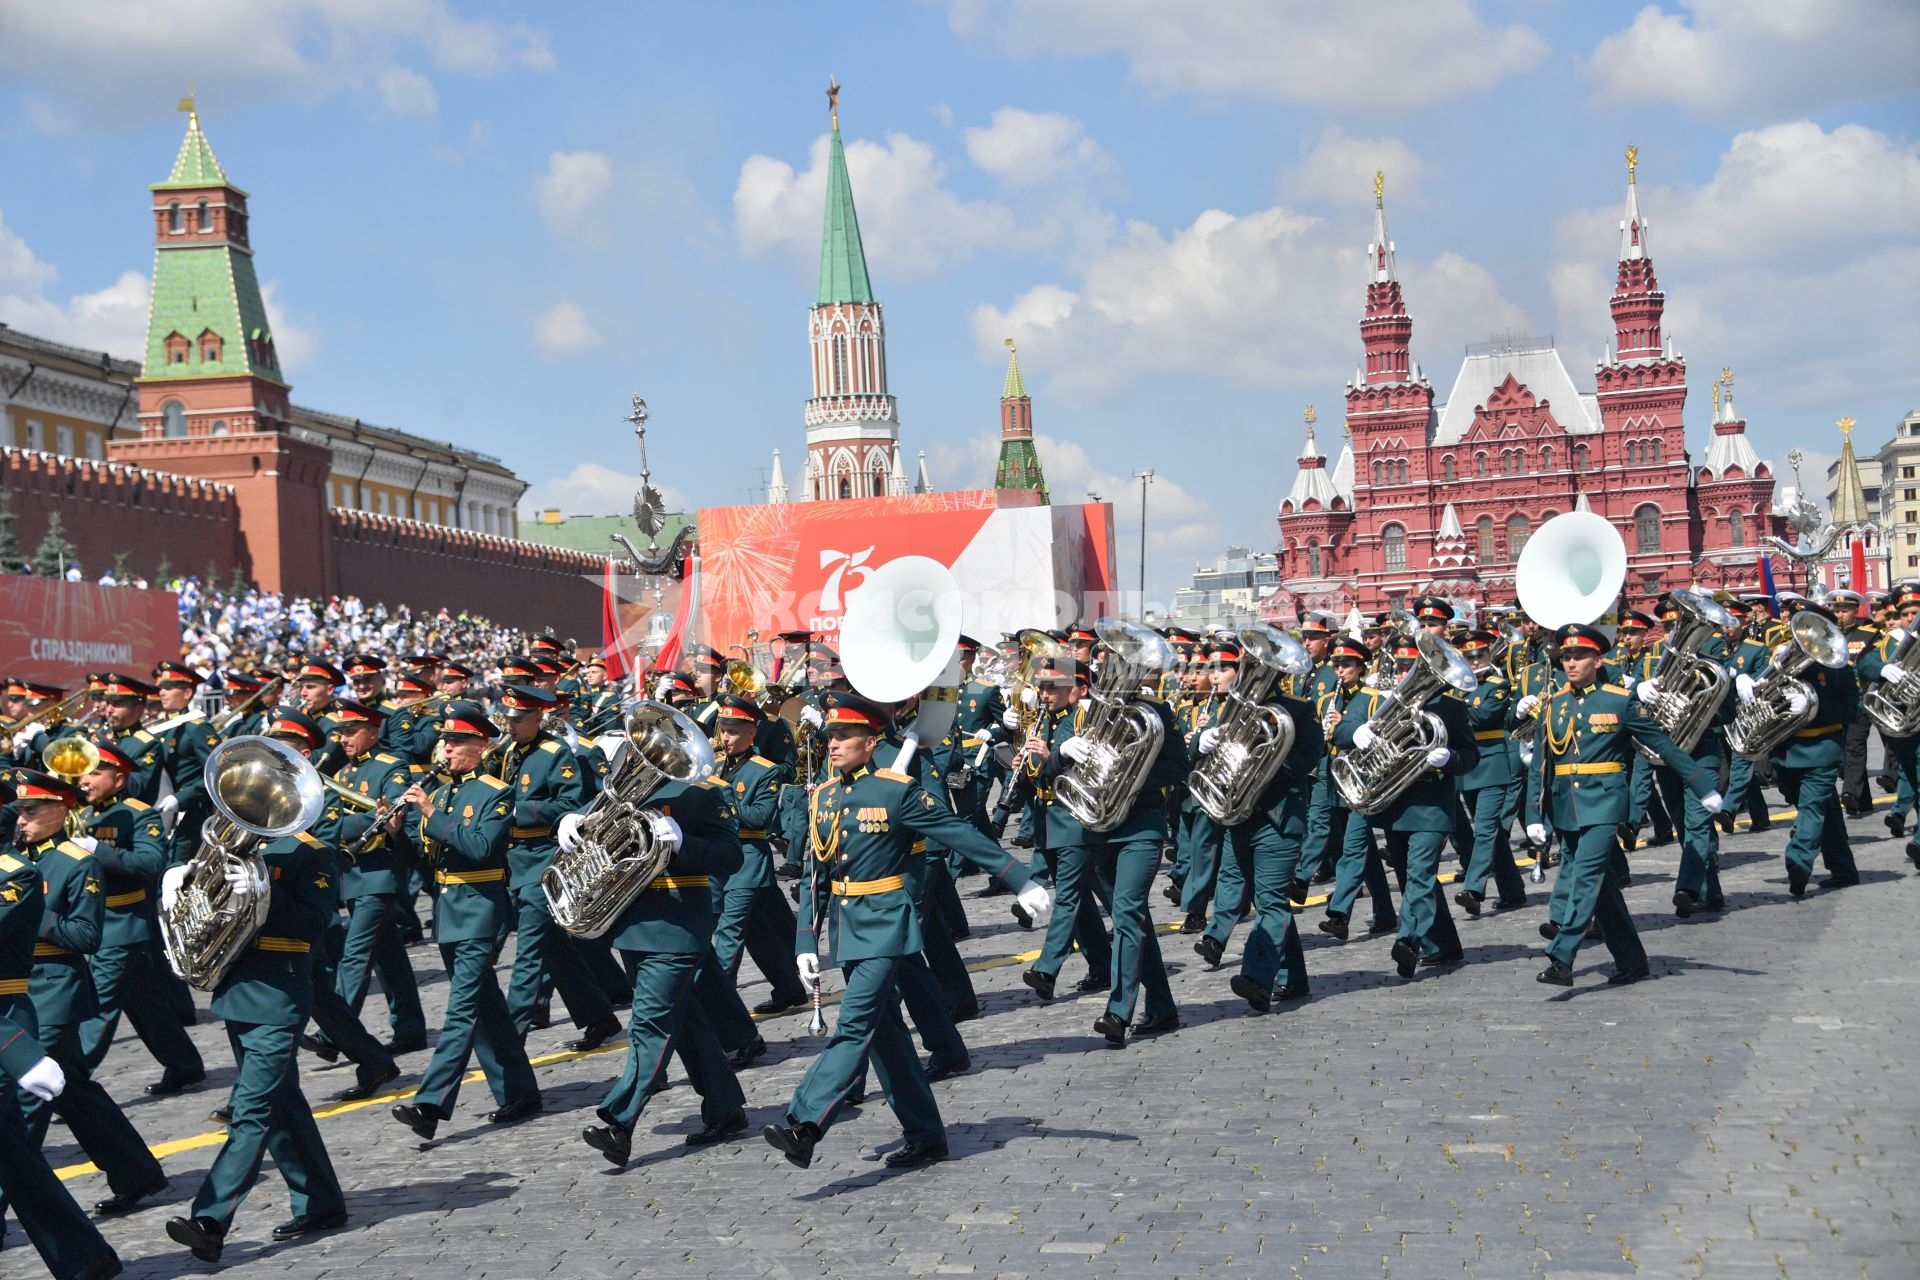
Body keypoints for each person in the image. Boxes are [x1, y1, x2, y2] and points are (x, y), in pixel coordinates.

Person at [764, 693, 1048, 1171]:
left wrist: (1019, 878)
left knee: (854, 1026)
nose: (833, 744)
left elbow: (956, 831)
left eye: (844, 736)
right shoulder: (825, 796)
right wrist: (806, 942)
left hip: (887, 926)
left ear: (870, 742)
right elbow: (816, 876)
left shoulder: (895, 791)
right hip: (847, 931)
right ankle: (926, 1134)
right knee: (886, 1037)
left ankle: (804, 1123)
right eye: (830, 736)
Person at [161, 766, 347, 1265]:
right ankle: (321, 1200)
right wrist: (185, 881)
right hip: (239, 990)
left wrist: (264, 890)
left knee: (253, 1111)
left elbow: (315, 924)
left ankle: (210, 1219)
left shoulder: (314, 853)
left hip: (279, 994)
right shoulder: (235, 845)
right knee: (281, 1102)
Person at [573, 707, 751, 1167]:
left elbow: (731, 856)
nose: (645, 753)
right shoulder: (624, 787)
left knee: (649, 1025)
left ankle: (620, 1120)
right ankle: (725, 1106)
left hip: (677, 927)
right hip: (633, 922)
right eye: (642, 745)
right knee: (684, 1020)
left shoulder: (704, 791)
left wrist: (681, 843)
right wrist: (576, 825)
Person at [0, 771, 167, 1230]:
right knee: (71, 1088)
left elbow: (87, 936)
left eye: (32, 812)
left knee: (23, 1102)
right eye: (19, 813)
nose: (23, 821)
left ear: (60, 810)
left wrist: (30, 915)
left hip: (53, 987)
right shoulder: (14, 859)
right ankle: (137, 1171)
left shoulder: (77, 862)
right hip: (19, 987)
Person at [1527, 624, 1722, 988]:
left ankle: (1562, 956)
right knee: (1602, 889)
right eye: (1566, 656)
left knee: (1584, 877)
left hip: (1604, 803)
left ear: (1597, 660)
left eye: (1579, 656)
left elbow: (1662, 745)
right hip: (1565, 806)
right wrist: (1534, 815)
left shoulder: (1618, 701)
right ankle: (1632, 960)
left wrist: (1702, 785)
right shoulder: (1552, 705)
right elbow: (1540, 765)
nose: (1570, 663)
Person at [389, 701, 541, 1141]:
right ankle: (520, 1091)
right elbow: (425, 858)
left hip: (480, 909)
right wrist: (399, 833)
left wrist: (432, 816)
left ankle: (431, 1104)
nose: (447, 748)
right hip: (449, 912)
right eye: (445, 740)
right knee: (488, 1009)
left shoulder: (496, 792)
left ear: (482, 743)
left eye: (456, 741)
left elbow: (479, 848)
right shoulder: (440, 791)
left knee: (460, 1012)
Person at [1333, 627, 1478, 980]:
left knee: (1418, 876)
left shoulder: (1450, 708)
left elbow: (1471, 755)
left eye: (1408, 667)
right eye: (1399, 667)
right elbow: (1339, 731)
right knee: (1415, 878)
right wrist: (1354, 733)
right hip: (1393, 804)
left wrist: (1451, 758)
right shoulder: (1384, 703)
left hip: (1431, 805)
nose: (1402, 674)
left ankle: (1409, 941)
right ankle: (1444, 944)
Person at [487, 685, 620, 1050]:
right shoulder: (509, 753)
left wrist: (518, 810)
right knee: (555, 949)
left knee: (529, 953)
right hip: (516, 862)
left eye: (517, 720)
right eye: (507, 719)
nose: (509, 726)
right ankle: (599, 1017)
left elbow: (570, 805)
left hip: (544, 862)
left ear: (536, 718)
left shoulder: (554, 752)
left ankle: (509, 1043)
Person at [73, 741, 206, 1093]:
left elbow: (150, 864)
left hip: (122, 925)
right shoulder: (83, 815)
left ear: (119, 780)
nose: (84, 779)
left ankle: (65, 1082)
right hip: (95, 923)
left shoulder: (138, 814)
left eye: (95, 772)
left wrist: (96, 851)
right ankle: (184, 1064)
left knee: (97, 1009)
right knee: (147, 1005)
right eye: (84, 772)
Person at [708, 695, 808, 1014]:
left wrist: (724, 800)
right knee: (758, 934)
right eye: (723, 730)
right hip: (719, 860)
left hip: (746, 861)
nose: (726, 738)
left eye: (734, 731)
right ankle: (790, 988)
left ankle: (721, 1012)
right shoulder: (714, 764)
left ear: (752, 733)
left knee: (728, 938)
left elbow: (760, 818)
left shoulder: (764, 771)